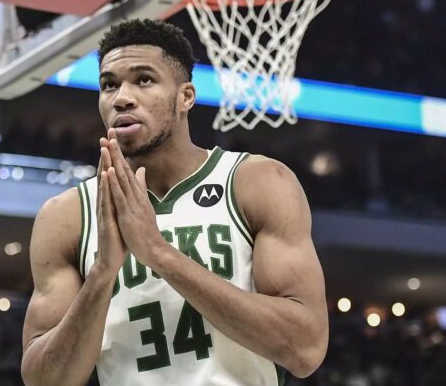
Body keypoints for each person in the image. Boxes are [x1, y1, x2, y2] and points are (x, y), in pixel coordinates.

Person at [20, 19, 328, 386]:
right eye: (109, 85)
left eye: (144, 80)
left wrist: (159, 253)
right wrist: (102, 273)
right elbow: (44, 381)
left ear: (186, 97)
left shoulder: (256, 182)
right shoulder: (68, 216)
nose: (121, 98)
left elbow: (305, 349)